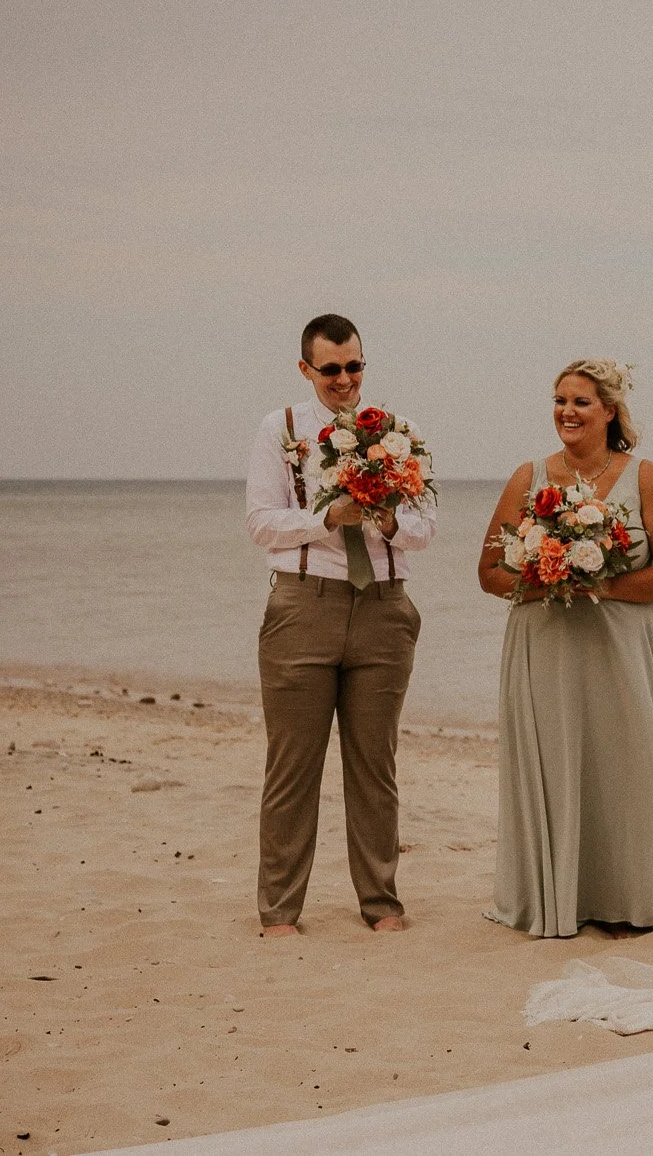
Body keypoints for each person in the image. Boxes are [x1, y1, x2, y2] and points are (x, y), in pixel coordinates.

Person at [476, 359, 653, 939]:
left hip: (625, 651)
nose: (567, 412)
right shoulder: (527, 477)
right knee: (559, 762)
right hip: (547, 650)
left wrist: (602, 585)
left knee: (630, 768)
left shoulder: (642, 476)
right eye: (559, 400)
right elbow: (488, 571)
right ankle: (561, 897)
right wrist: (543, 576)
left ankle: (642, 896)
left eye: (580, 402)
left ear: (609, 410)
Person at [244, 313, 434, 936]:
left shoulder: (396, 432)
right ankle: (279, 910)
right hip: (304, 605)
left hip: (383, 606)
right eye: (331, 369)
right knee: (293, 767)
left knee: (375, 766)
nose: (345, 379)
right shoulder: (283, 428)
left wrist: (383, 520)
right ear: (307, 370)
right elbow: (261, 522)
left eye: (354, 366)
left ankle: (381, 903)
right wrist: (328, 517)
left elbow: (425, 528)